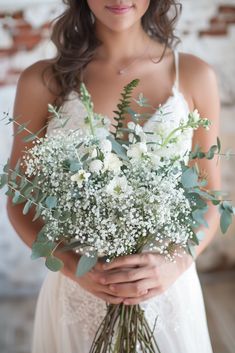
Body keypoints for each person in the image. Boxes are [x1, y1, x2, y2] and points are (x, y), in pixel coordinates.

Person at [7, 1, 221, 352]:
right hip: (76, 293)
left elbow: (210, 197)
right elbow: (19, 199)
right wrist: (73, 265)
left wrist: (175, 263)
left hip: (166, 292)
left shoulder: (195, 75)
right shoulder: (43, 80)